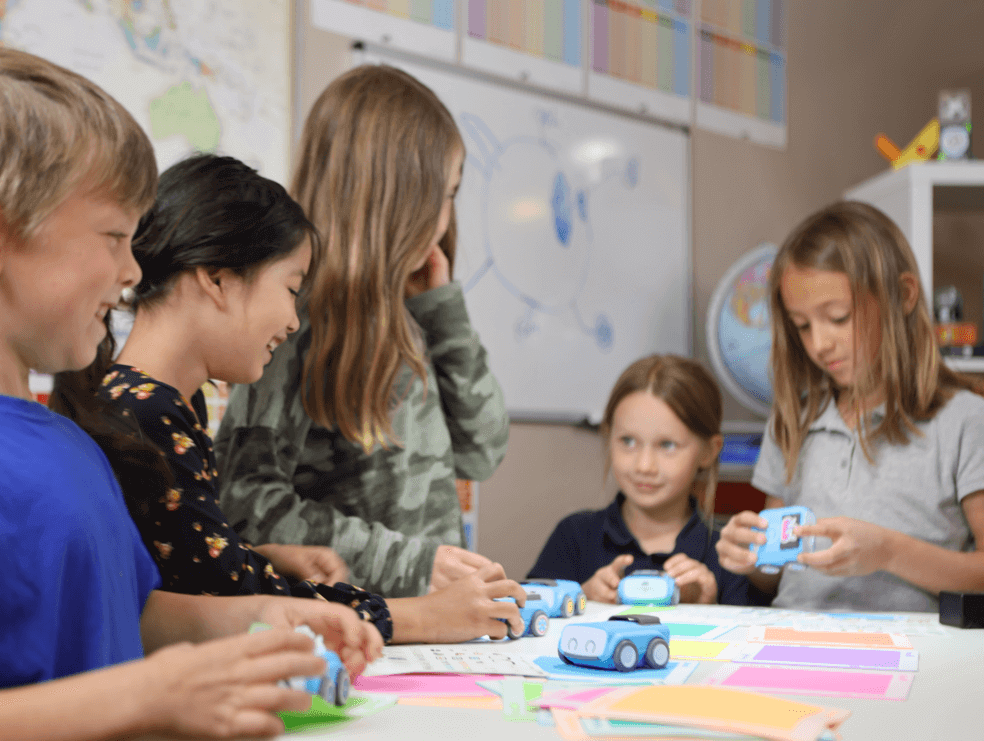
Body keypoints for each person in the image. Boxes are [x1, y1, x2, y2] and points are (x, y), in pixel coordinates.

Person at [0, 44, 379, 741]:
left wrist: (254, 618)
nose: (133, 269)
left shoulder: (71, 443)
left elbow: (124, 612)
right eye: (113, 237)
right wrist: (142, 694)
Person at [52, 153, 527, 643]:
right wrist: (419, 617)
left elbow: (187, 564)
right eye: (291, 289)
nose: (294, 320)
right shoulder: (148, 415)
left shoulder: (164, 404)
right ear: (217, 279)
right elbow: (232, 603)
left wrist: (265, 556)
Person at [215, 64, 511, 598]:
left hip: (427, 627)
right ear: (400, 199)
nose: (447, 216)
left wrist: (443, 313)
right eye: (445, 195)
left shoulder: (410, 314)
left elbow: (483, 449)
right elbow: (246, 502)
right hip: (354, 625)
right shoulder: (294, 320)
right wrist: (414, 565)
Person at [716, 200, 984, 611]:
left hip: (913, 654)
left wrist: (889, 552)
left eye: (838, 317)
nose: (820, 344)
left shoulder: (965, 421)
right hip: (794, 639)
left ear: (904, 295)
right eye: (803, 326)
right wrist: (750, 555)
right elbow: (773, 575)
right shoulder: (793, 420)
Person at [528, 355, 766, 606]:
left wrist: (709, 609)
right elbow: (529, 619)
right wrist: (578, 600)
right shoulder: (574, 536)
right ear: (609, 437)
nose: (644, 466)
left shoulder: (729, 554)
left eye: (667, 445)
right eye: (628, 441)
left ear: (708, 451)